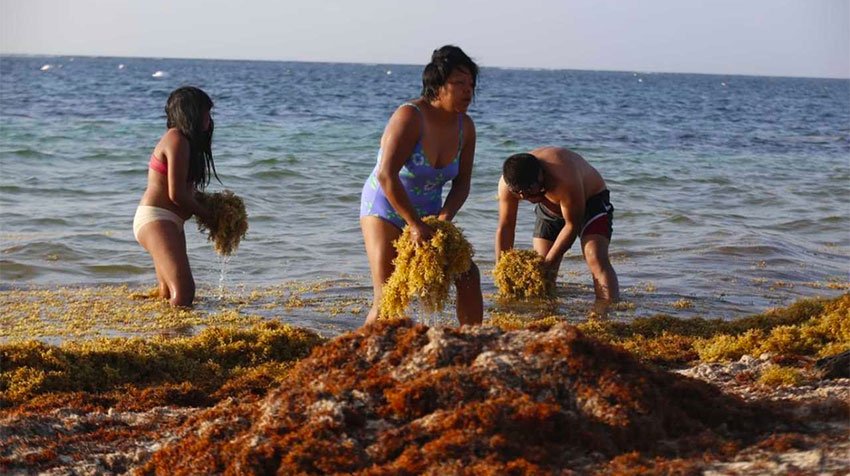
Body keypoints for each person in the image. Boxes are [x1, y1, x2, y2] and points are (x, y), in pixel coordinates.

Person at [360, 45, 483, 326]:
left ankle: (473, 343)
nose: (468, 91)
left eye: (471, 85)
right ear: (438, 85)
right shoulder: (410, 116)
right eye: (459, 83)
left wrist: (443, 220)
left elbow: (462, 184)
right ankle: (360, 357)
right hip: (386, 208)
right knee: (389, 296)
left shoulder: (466, 128)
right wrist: (413, 224)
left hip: (430, 215)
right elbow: (386, 175)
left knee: (469, 276)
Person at [495, 146, 619, 304]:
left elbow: (571, 226)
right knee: (541, 267)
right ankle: (547, 314)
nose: (527, 197)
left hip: (591, 201)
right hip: (550, 208)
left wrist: (548, 264)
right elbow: (505, 227)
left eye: (530, 190)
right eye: (520, 194)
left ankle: (608, 309)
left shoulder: (564, 177)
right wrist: (501, 269)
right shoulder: (507, 186)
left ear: (541, 175)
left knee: (595, 256)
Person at [133, 86, 216, 307]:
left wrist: (215, 204)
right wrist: (209, 216)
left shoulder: (184, 142)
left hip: (168, 221)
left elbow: (185, 189)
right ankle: (177, 338)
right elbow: (176, 194)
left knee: (168, 293)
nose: (209, 119)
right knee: (185, 291)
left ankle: (163, 336)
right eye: (206, 113)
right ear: (192, 113)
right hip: (157, 220)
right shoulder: (176, 139)